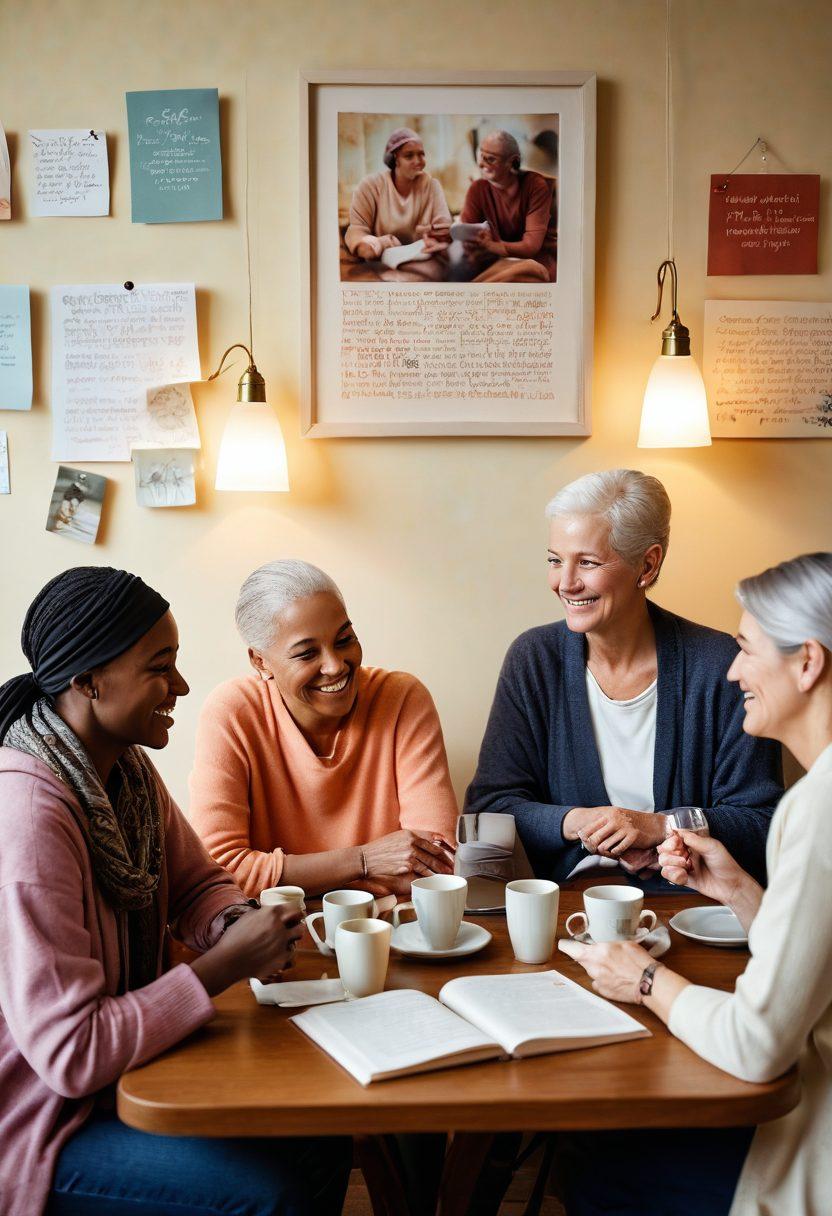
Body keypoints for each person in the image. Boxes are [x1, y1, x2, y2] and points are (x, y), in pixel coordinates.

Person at [0, 567, 351, 1216]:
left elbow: (197, 882)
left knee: (324, 1138)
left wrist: (238, 920)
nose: (182, 686)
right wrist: (227, 964)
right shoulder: (28, 817)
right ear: (87, 681)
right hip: (41, 1120)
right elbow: (71, 1055)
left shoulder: (123, 770)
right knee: (265, 1197)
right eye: (160, 667)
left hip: (124, 1076)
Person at [561, 551, 832, 1216]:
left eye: (746, 649)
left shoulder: (818, 806)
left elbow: (756, 1046)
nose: (734, 669)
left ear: (808, 662)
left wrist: (644, 981)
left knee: (597, 1168)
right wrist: (739, 890)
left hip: (817, 1144)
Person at [465, 469, 782, 887]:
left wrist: (660, 826)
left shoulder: (722, 663)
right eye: (555, 560)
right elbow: (489, 808)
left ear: (647, 565)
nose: (565, 583)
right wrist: (577, 821)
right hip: (571, 905)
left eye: (588, 563)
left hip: (694, 906)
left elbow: (761, 821)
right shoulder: (534, 659)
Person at [190, 559, 458, 899]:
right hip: (272, 940)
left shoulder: (402, 698)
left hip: (389, 936)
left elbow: (437, 864)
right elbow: (220, 872)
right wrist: (365, 861)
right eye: (306, 654)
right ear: (260, 662)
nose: (335, 666)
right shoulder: (232, 712)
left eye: (344, 639)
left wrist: (279, 878)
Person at [343, 126, 452, 282]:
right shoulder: (371, 185)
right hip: (383, 257)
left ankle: (396, 279)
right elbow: (358, 229)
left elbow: (444, 228)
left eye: (421, 154)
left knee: (440, 268)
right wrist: (373, 244)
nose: (418, 161)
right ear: (395, 159)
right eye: (409, 156)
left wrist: (435, 238)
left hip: (422, 256)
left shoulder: (431, 185)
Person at [458, 129, 557, 283]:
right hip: (492, 263)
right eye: (481, 156)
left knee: (530, 270)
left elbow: (531, 246)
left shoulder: (535, 186)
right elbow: (466, 236)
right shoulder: (477, 188)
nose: (482, 164)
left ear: (512, 161)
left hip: (536, 262)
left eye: (490, 159)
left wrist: (494, 246)